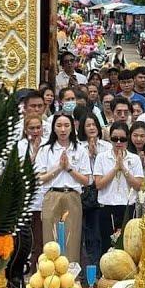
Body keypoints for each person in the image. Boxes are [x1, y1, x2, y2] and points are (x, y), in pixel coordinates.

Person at [36, 113, 92, 264]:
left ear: (72, 128)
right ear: (53, 128)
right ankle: (49, 276)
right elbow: (39, 178)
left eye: (66, 125)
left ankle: (71, 278)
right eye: (59, 126)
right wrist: (59, 168)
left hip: (72, 195)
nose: (63, 129)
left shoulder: (80, 149)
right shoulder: (46, 150)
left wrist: (68, 169)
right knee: (50, 239)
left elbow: (87, 180)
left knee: (71, 239)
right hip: (52, 195)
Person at [94, 122, 144, 255]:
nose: (118, 142)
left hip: (128, 207)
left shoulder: (134, 159)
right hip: (107, 206)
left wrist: (124, 169)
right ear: (110, 139)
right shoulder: (101, 157)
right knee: (107, 246)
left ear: (127, 139)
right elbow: (99, 184)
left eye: (122, 139)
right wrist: (116, 168)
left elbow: (138, 185)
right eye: (115, 139)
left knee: (129, 247)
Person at [77, 112, 112, 271]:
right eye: (88, 125)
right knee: (86, 234)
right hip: (84, 193)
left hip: (103, 192)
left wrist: (96, 155)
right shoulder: (78, 147)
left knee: (100, 233)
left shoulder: (107, 146)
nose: (91, 128)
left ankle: (102, 267)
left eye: (93, 124)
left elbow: (108, 169)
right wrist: (89, 155)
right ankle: (88, 267)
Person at [17, 113, 47, 272]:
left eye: (38, 127)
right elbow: (22, 170)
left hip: (45, 198)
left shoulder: (49, 144)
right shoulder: (21, 146)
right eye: (32, 128)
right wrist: (34, 153)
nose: (35, 131)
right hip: (28, 200)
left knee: (41, 241)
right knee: (28, 240)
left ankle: (40, 271)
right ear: (25, 129)